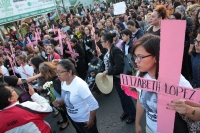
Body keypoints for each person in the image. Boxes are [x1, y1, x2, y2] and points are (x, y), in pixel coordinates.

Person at [133, 34, 192, 133]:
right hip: (150, 128)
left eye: (140, 57)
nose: (136, 61)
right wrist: (137, 123)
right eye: (135, 56)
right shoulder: (140, 74)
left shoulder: (176, 79)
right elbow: (140, 100)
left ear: (156, 57)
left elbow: (197, 107)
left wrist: (187, 109)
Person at [54, 59, 99, 133]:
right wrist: (59, 102)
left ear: (69, 72)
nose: (57, 74)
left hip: (85, 120)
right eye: (57, 72)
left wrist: (91, 121)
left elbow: (93, 105)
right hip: (74, 119)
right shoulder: (63, 82)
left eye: (60, 72)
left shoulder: (80, 85)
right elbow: (66, 98)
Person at [100, 33, 136, 124]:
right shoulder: (109, 50)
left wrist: (108, 72)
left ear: (107, 42)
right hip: (115, 77)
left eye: (102, 42)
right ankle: (126, 111)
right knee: (121, 96)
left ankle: (133, 114)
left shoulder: (115, 50)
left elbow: (119, 67)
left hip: (121, 77)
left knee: (126, 96)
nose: (101, 43)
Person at [39, 62, 69, 131]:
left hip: (60, 97)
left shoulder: (56, 78)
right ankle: (64, 118)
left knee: (63, 109)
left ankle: (66, 121)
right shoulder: (49, 78)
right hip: (55, 97)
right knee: (60, 110)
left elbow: (60, 90)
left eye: (41, 72)